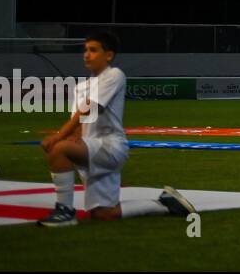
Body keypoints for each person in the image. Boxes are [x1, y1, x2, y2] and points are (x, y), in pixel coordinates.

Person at [38, 31, 196, 227]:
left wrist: (58, 137)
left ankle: (65, 212)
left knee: (59, 149)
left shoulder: (114, 75)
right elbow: (79, 121)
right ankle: (164, 204)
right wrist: (72, 137)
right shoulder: (81, 86)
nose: (87, 54)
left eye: (93, 50)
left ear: (109, 55)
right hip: (91, 149)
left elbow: (90, 108)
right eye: (85, 50)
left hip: (109, 147)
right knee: (105, 214)